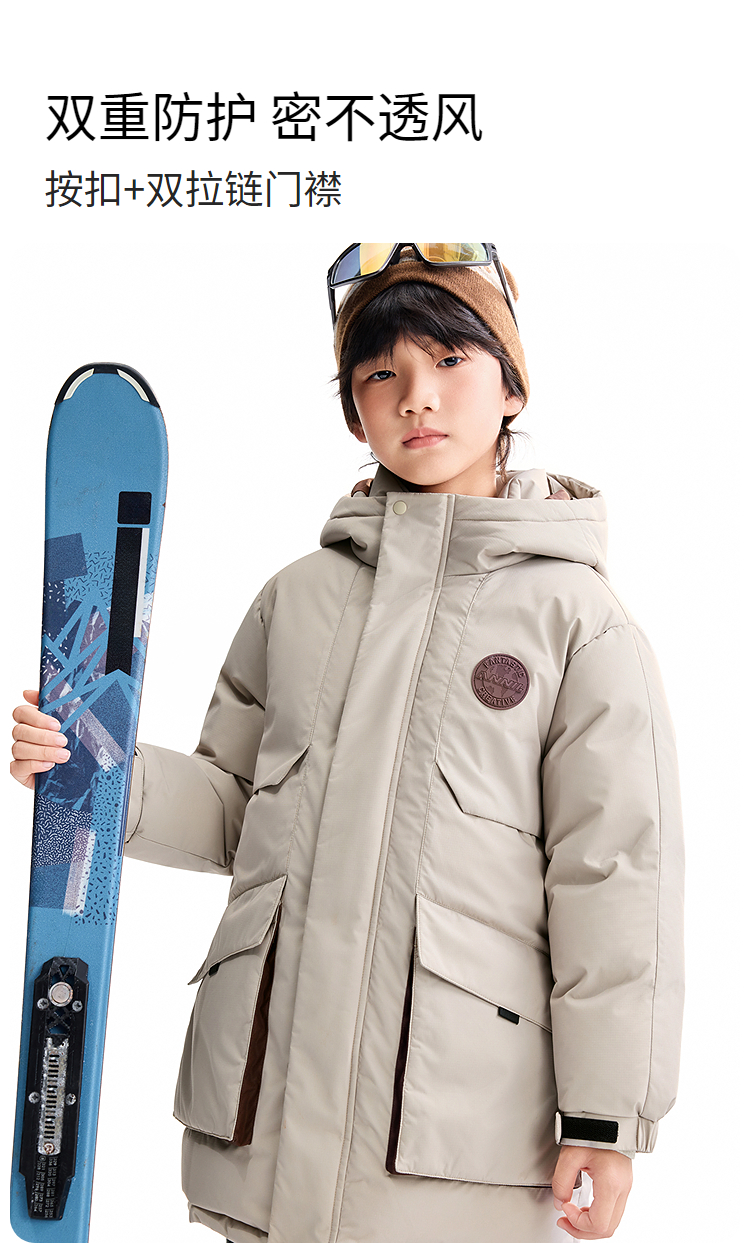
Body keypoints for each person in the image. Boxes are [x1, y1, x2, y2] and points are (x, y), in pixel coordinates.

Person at [10, 243, 684, 1243]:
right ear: (353, 413)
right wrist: (99, 773)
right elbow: (239, 809)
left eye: (449, 359)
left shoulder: (577, 623)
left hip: (451, 1146)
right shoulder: (296, 600)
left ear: (512, 386)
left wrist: (605, 1118)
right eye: (380, 373)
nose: (417, 396)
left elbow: (616, 875)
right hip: (266, 1128)